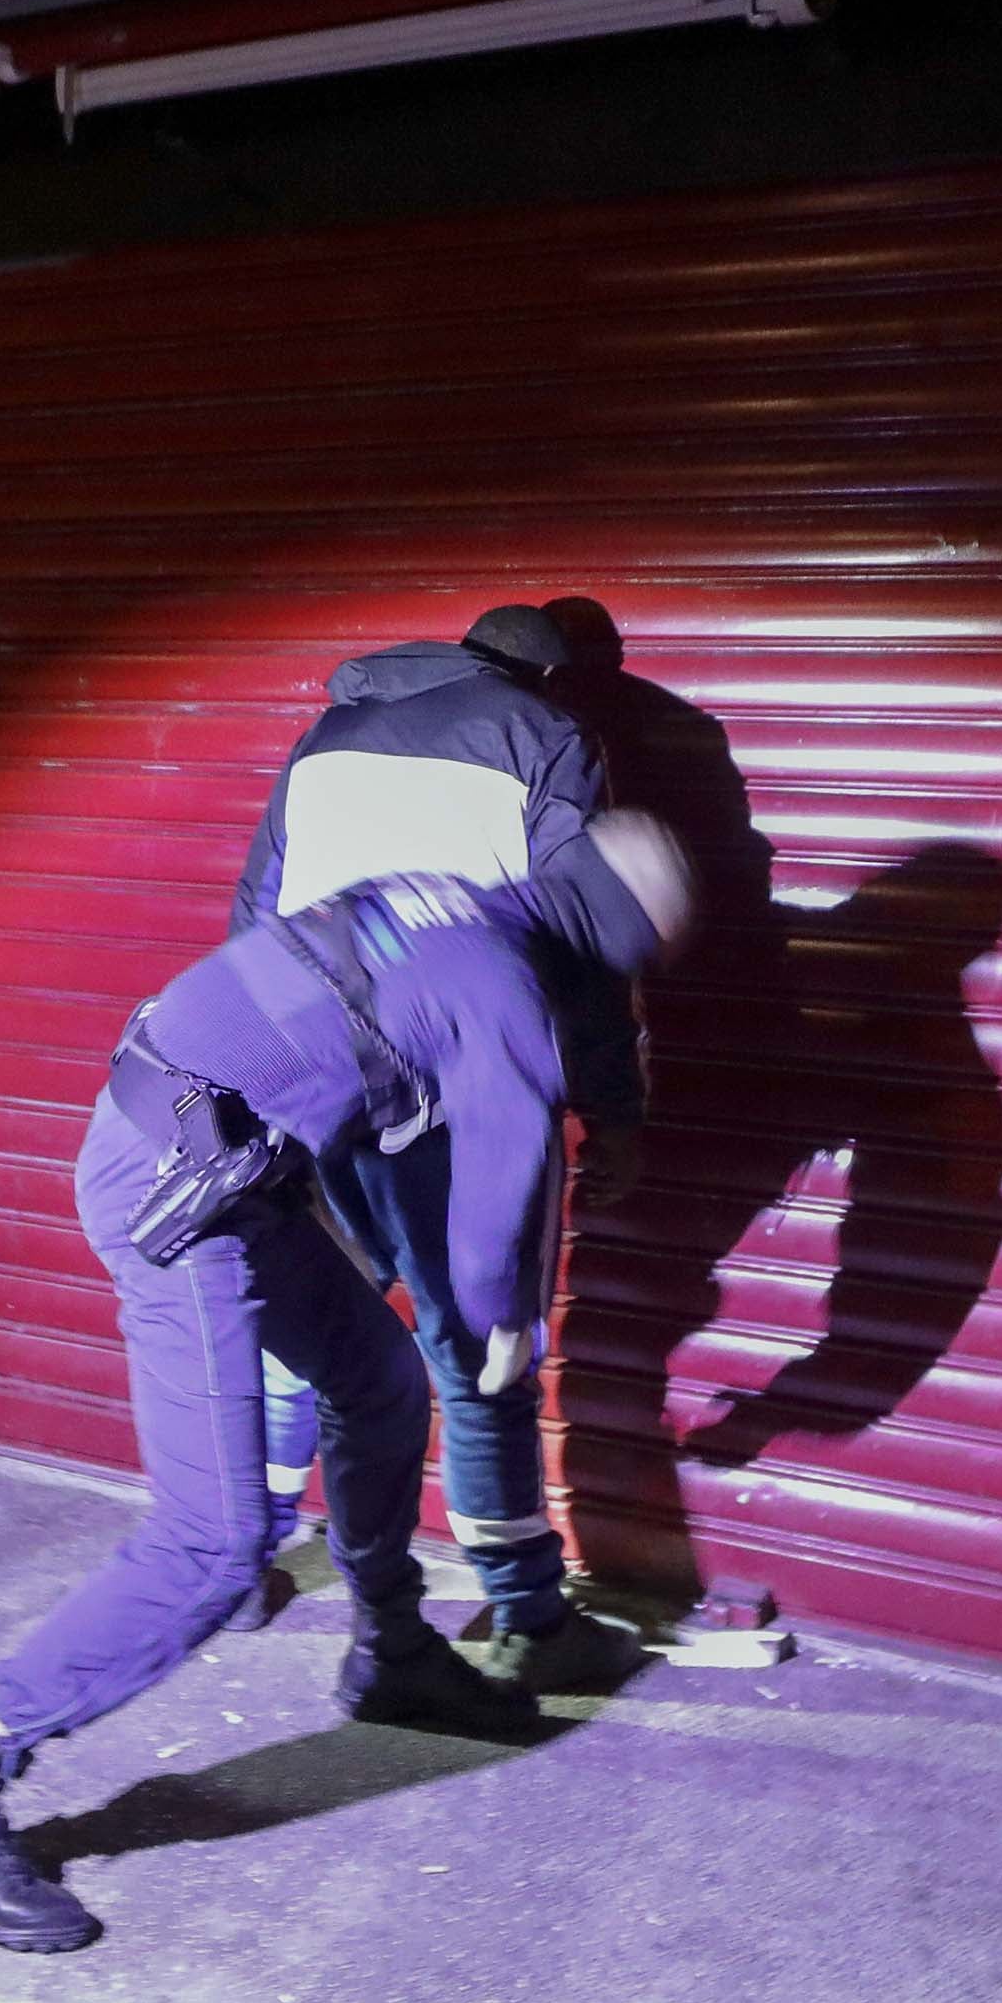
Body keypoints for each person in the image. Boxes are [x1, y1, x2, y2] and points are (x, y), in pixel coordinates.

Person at [0, 814, 699, 1954]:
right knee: (213, 1544)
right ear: (617, 939)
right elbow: (494, 1204)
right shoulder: (505, 989)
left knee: (382, 1380)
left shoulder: (443, 896)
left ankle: (391, 1652)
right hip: (176, 1191)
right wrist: (504, 1320)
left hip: (218, 1160)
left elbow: (288, 1006)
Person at [234, 604, 648, 1652]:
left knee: (308, 1324)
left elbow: (257, 913)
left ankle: (248, 1561)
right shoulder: (544, 734)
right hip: (459, 1083)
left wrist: (268, 1074)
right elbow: (587, 938)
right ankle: (527, 1616)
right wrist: (610, 1105)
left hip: (316, 1077)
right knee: (480, 1347)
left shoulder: (326, 736)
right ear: (547, 676)